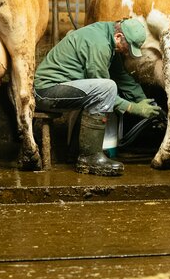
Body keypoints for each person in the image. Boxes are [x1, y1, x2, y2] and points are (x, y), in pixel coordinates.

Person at [33, 18, 163, 176]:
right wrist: (133, 108)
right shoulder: (99, 44)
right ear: (118, 37)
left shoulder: (108, 36)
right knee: (106, 87)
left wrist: (142, 100)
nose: (127, 52)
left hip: (63, 89)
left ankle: (77, 153)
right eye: (128, 47)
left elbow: (121, 76)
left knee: (106, 86)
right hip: (47, 92)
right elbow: (103, 91)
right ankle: (89, 158)